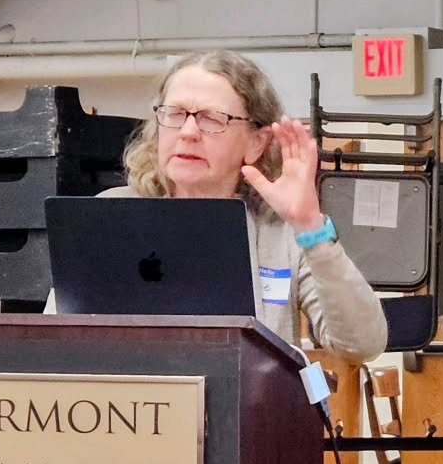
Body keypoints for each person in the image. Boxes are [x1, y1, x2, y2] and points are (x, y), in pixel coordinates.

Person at [103, 49, 388, 363]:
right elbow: (56, 336)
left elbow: (362, 344)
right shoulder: (109, 216)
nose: (188, 132)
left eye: (212, 119)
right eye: (175, 114)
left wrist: (311, 228)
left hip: (250, 406)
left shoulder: (285, 233)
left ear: (256, 143)